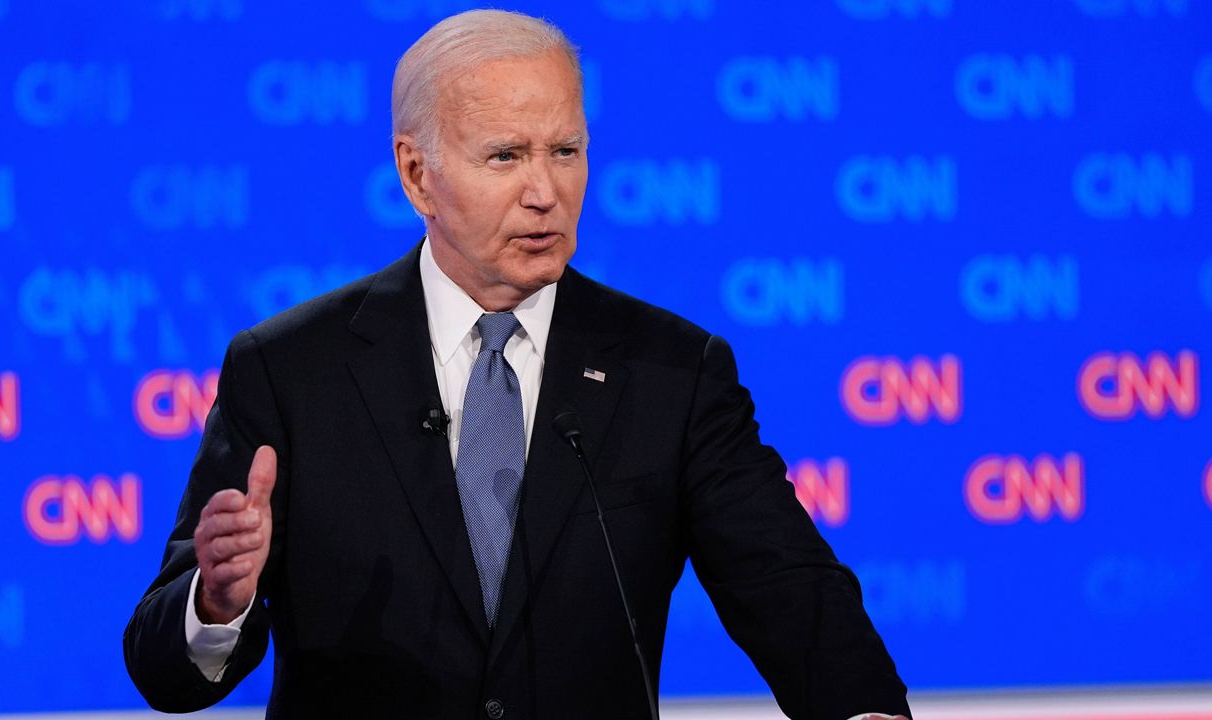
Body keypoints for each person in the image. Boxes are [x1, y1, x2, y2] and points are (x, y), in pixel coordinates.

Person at [123, 9, 912, 719]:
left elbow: (791, 591)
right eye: (505, 156)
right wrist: (217, 603)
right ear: (416, 174)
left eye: (565, 150)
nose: (546, 190)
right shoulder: (291, 370)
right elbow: (165, 672)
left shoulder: (673, 371)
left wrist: (864, 712)